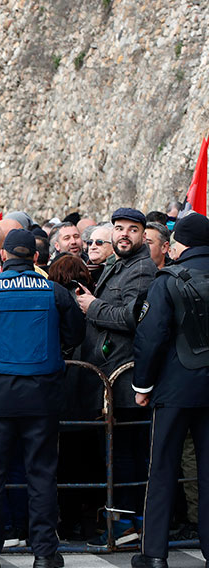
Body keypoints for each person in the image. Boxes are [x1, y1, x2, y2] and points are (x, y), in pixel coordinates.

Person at [0, 229, 85, 568]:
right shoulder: (55, 292)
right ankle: (44, 553)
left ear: (4, 256)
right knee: (41, 474)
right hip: (42, 395)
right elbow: (75, 334)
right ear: (36, 258)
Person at [131, 213, 209, 568]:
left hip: (175, 388)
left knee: (161, 469)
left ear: (185, 243)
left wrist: (142, 386)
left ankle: (155, 554)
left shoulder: (168, 278)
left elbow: (150, 337)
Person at [76, 208, 156, 544]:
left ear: (142, 235)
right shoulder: (121, 265)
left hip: (124, 383)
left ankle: (128, 526)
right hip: (111, 380)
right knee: (119, 454)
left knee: (125, 455)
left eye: (132, 230)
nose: (124, 234)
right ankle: (126, 522)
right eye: (119, 228)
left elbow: (132, 317)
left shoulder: (140, 270)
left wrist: (92, 306)